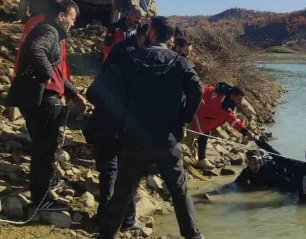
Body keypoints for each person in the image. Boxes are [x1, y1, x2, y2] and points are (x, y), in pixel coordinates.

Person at [98, 16, 203, 239]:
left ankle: (107, 235)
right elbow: (197, 90)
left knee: (123, 191)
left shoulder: (131, 58)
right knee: (179, 190)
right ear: (171, 38)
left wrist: (124, 114)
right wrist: (183, 119)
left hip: (135, 136)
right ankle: (192, 236)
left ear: (151, 34)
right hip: (167, 138)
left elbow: (105, 90)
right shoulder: (180, 62)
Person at [7, 0, 87, 210]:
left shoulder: (52, 33)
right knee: (44, 151)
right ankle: (41, 199)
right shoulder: (49, 31)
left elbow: (59, 72)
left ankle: (41, 188)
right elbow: (35, 50)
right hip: (42, 100)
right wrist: (47, 74)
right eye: (72, 18)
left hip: (39, 98)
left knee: (43, 148)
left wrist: (73, 93)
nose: (73, 23)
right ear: (61, 16)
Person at [84, 23, 149, 232]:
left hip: (103, 125)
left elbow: (91, 94)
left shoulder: (111, 68)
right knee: (127, 173)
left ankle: (104, 217)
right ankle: (127, 220)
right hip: (125, 129)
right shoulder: (139, 73)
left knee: (109, 172)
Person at [191, 85, 254, 170]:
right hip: (200, 106)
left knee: (205, 131)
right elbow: (233, 121)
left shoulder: (227, 92)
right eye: (238, 99)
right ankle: (201, 160)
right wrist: (246, 132)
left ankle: (201, 157)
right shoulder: (224, 104)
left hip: (202, 98)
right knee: (203, 132)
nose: (240, 102)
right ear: (232, 96)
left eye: (241, 99)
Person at [13, 14, 70, 81]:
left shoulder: (59, 30)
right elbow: (31, 49)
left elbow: (61, 58)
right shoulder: (44, 25)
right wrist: (48, 73)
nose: (73, 24)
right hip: (41, 81)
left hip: (53, 80)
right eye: (72, 19)